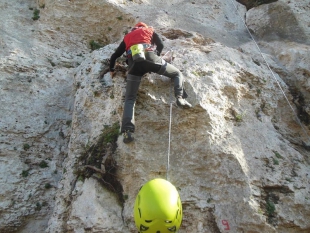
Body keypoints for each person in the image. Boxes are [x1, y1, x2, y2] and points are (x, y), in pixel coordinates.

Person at [109, 22, 192, 143]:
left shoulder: (127, 37)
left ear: (134, 28)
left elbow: (114, 56)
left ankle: (128, 132)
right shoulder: (149, 31)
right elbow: (160, 45)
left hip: (134, 66)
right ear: (144, 27)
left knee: (130, 99)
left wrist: (111, 70)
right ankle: (179, 98)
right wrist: (156, 56)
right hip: (151, 59)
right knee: (177, 73)